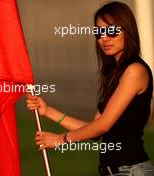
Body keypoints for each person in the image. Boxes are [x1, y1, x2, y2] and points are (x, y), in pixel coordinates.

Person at [26, 2, 154, 176]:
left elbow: (103, 125)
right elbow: (94, 129)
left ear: (127, 31)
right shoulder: (114, 74)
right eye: (99, 32)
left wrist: (59, 140)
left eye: (112, 31)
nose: (104, 38)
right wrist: (48, 111)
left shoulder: (135, 71)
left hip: (131, 170)